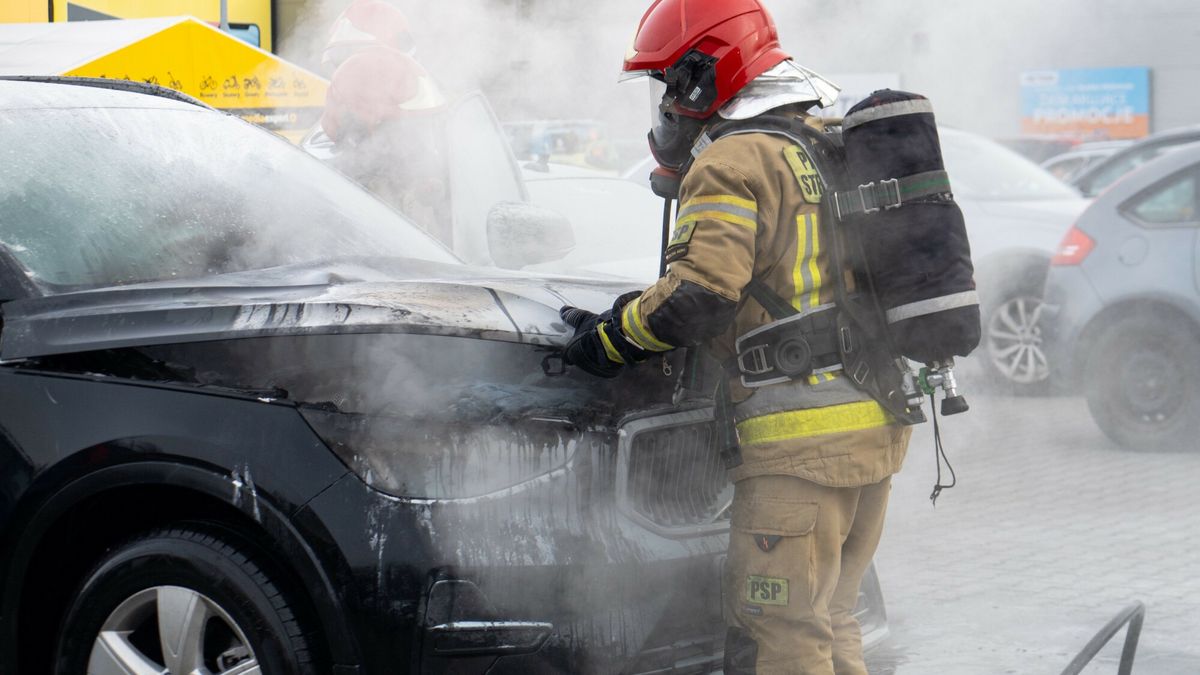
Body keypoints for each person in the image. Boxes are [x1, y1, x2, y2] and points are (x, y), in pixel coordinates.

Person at [557, 1, 911, 673]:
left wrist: (608, 339)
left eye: (668, 86)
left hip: (799, 454)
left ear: (702, 79)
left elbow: (701, 297)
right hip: (873, 432)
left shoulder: (733, 160)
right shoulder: (820, 141)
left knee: (778, 636)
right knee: (833, 619)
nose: (666, 108)